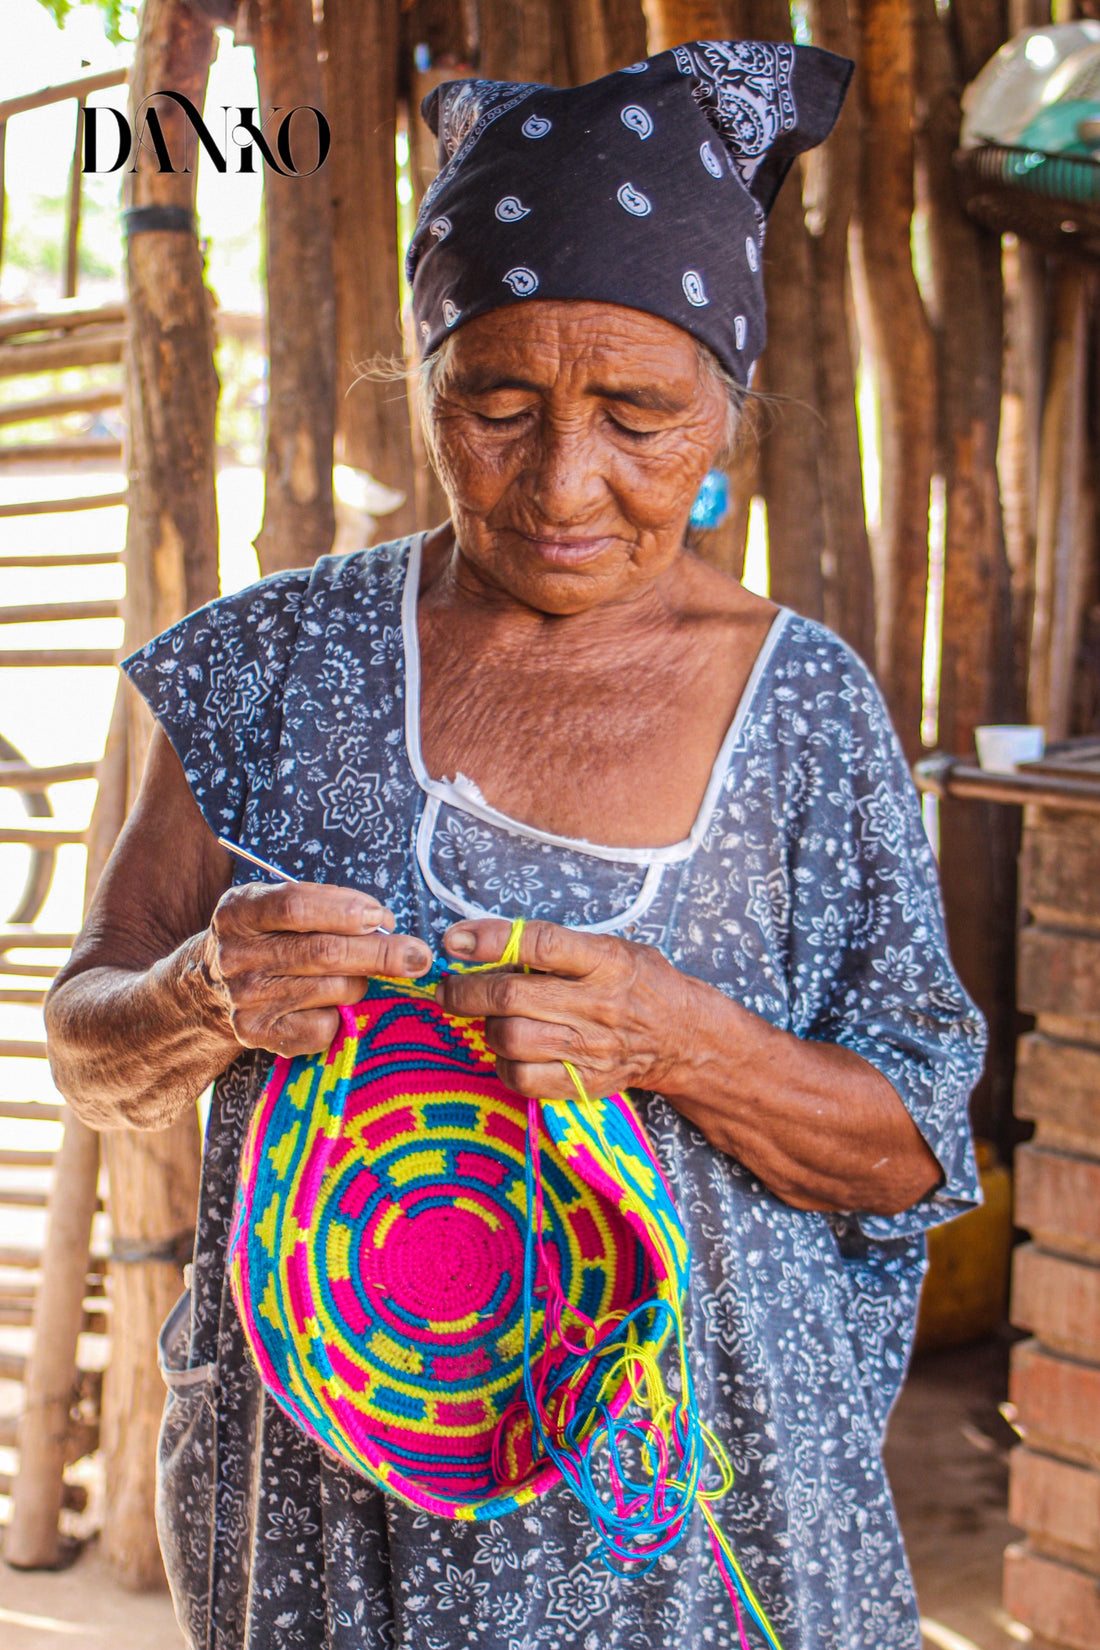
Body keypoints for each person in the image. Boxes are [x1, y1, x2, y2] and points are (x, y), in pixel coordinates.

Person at [45, 41, 984, 1650]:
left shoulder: (810, 711)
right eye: (495, 404)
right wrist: (203, 992)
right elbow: (88, 1038)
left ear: (729, 410)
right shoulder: (269, 669)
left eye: (639, 414)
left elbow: (911, 1149)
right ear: (422, 381)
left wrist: (670, 1035)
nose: (564, 481)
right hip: (337, 1546)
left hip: (707, 1544)